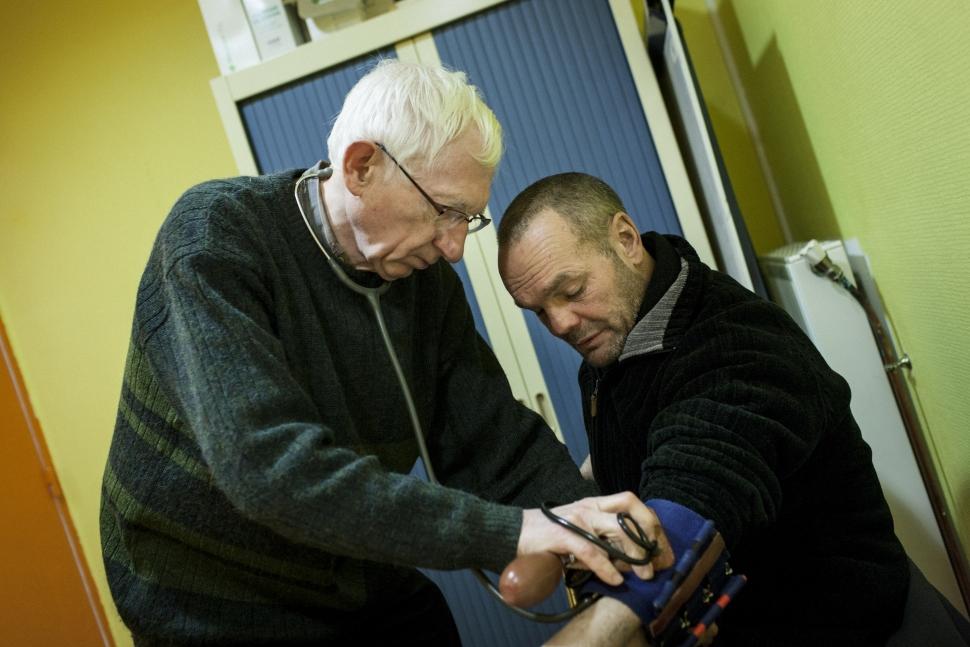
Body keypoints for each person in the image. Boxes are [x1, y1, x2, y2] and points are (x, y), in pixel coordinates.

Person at [100, 63, 667, 645]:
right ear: (360, 166)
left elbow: (491, 437)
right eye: (442, 210)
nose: (453, 249)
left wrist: (586, 526)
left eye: (466, 220)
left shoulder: (421, 282)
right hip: (207, 596)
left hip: (334, 563)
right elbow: (266, 468)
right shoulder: (215, 237)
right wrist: (514, 532)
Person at [496, 172, 911, 646]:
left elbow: (694, 493)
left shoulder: (740, 347)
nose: (561, 323)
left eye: (570, 291)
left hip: (829, 622)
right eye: (539, 310)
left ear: (627, 240)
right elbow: (650, 434)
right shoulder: (615, 331)